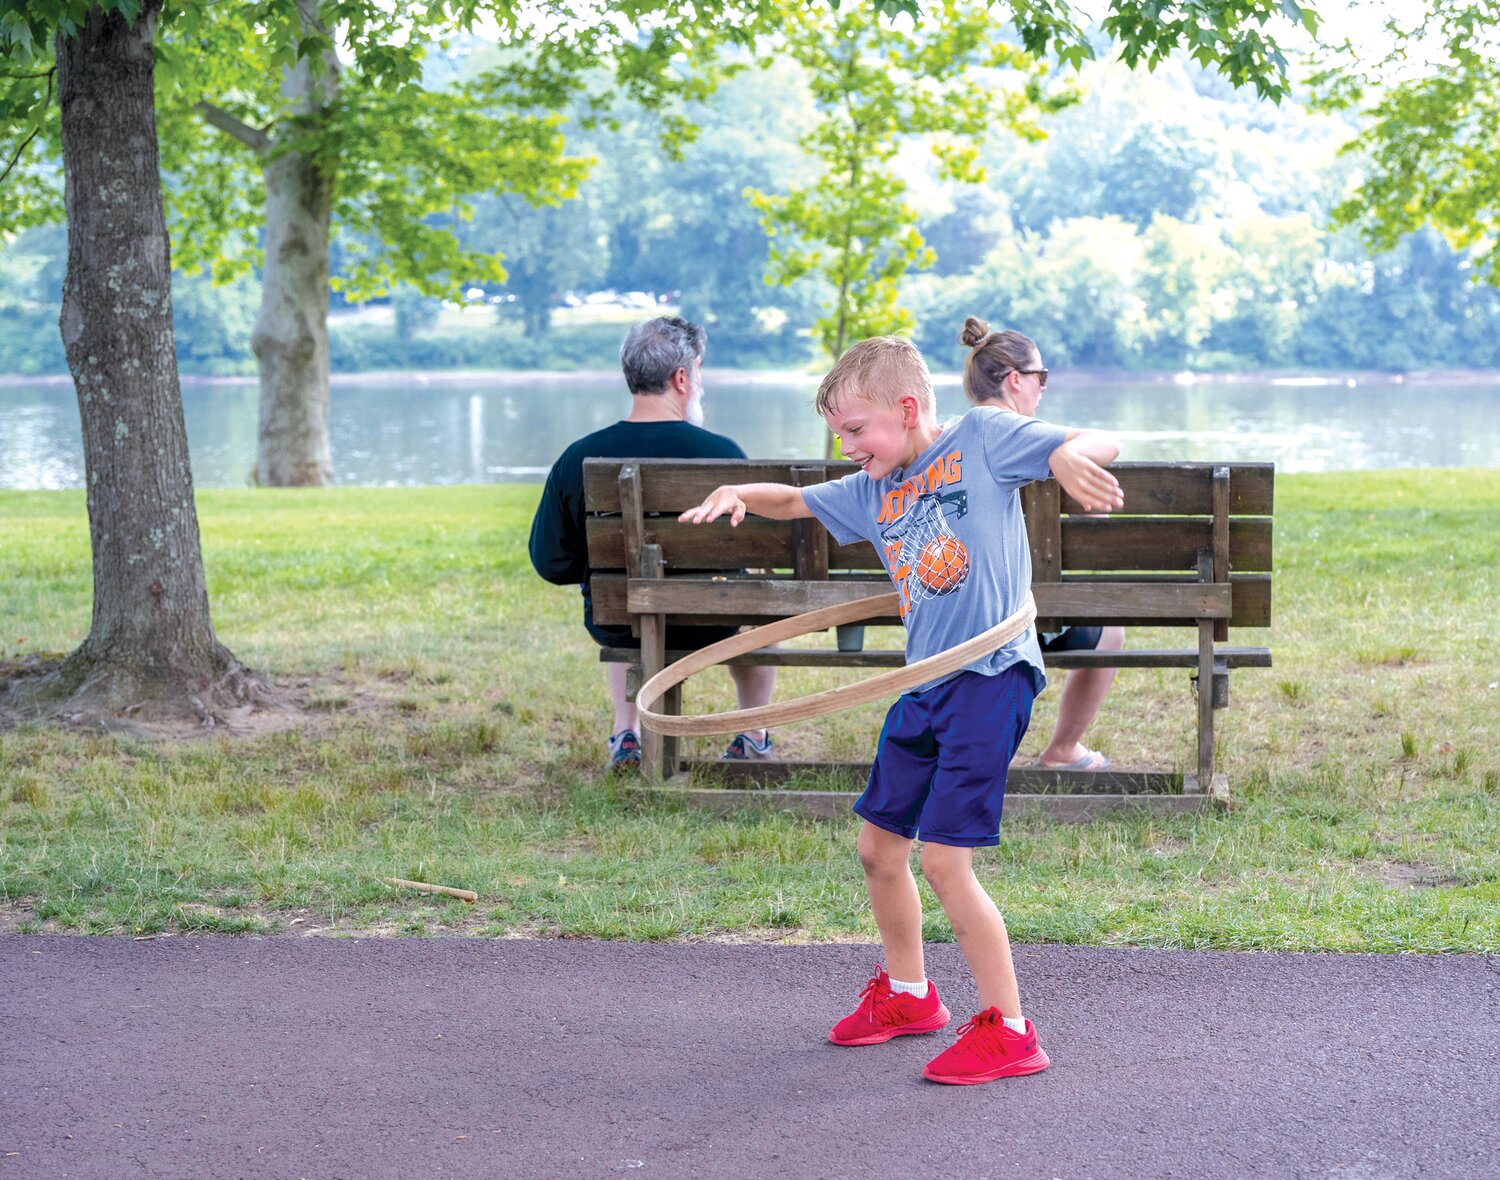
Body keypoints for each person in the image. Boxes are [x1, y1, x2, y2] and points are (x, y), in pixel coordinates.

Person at [677, 335, 1122, 1085]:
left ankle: (1012, 1032)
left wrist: (1070, 456)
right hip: (927, 685)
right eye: (839, 434)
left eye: (855, 430)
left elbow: (1096, 438)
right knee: (880, 848)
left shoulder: (981, 437)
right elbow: (794, 500)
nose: (847, 446)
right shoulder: (874, 487)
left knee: (948, 861)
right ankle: (912, 997)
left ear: (907, 409)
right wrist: (739, 494)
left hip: (990, 674)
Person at [528, 316, 776, 771]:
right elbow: (760, 550)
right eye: (698, 371)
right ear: (682, 378)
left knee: (629, 597)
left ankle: (627, 734)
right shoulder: (724, 455)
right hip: (711, 623)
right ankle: (753, 734)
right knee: (758, 598)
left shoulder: (578, 457)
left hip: (619, 621)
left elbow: (551, 563)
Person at [959, 318, 1125, 771]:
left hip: (957, 615)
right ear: (1015, 380)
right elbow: (1109, 441)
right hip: (1019, 619)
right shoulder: (1020, 435)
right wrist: (1065, 450)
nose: (1043, 388)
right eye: (1041, 377)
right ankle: (1064, 749)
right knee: (1110, 633)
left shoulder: (954, 436)